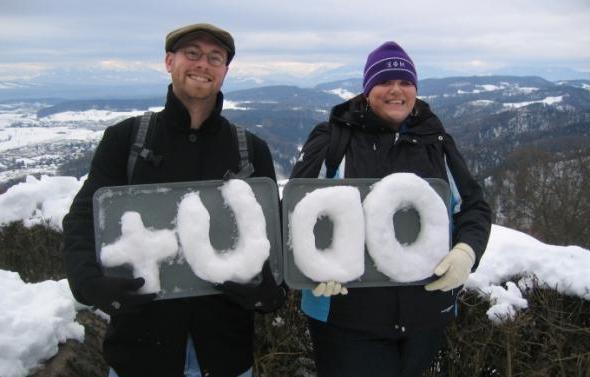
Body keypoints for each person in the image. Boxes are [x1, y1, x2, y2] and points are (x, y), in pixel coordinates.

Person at [62, 23, 285, 377]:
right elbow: (81, 218)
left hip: (224, 350)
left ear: (225, 71)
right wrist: (90, 283)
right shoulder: (127, 139)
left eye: (215, 57)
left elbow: (274, 232)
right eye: (192, 53)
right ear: (169, 61)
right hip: (140, 350)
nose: (203, 64)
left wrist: (273, 290)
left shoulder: (250, 149)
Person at [290, 41, 492, 377]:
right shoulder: (333, 140)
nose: (396, 90)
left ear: (415, 89)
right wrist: (310, 269)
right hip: (345, 316)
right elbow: (295, 212)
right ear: (368, 89)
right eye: (385, 82)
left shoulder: (436, 142)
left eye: (405, 82)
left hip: (424, 315)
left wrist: (467, 252)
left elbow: (473, 207)